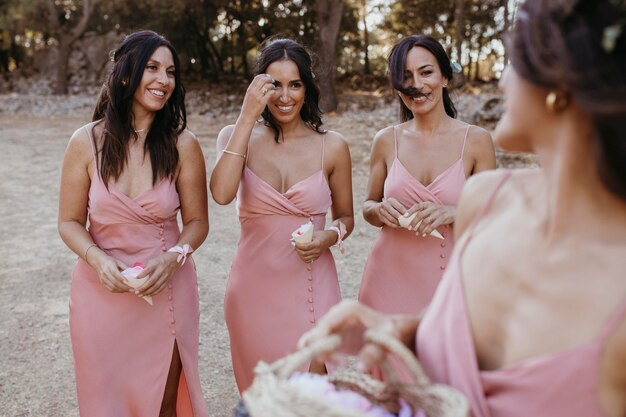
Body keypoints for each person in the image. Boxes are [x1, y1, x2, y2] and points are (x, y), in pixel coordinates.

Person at [300, 0, 626, 415]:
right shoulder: (494, 196)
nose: (503, 80)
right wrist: (400, 329)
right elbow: (481, 330)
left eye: (516, 63)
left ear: (559, 89)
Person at [57, 30, 209, 417]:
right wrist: (98, 260)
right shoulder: (85, 142)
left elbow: (196, 223)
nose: (164, 80)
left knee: (165, 404)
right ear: (126, 74)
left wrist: (174, 256)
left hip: (166, 290)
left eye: (171, 72)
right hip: (99, 294)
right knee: (105, 403)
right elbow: (69, 222)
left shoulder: (182, 144)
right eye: (153, 68)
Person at [210, 38, 354, 393]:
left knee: (316, 398)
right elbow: (222, 193)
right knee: (265, 401)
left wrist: (330, 236)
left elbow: (347, 217)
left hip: (312, 289)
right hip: (252, 294)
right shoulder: (235, 135)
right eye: (274, 85)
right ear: (259, 87)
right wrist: (246, 116)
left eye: (295, 85)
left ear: (307, 87)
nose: (285, 96)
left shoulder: (332, 146)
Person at [358, 34, 496, 315]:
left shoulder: (477, 140)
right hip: (387, 281)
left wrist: (454, 212)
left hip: (450, 282)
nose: (416, 85)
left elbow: (493, 213)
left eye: (426, 72)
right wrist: (379, 210)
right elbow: (368, 206)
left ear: (445, 78)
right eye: (406, 76)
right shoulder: (385, 141)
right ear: (397, 87)